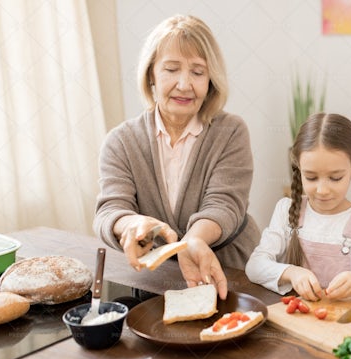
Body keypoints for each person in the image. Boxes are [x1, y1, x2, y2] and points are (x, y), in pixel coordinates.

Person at [93, 15, 260, 300]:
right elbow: (109, 209)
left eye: (198, 72)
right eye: (171, 69)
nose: (185, 84)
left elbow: (224, 204)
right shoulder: (120, 141)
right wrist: (130, 225)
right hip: (157, 280)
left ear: (211, 80)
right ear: (151, 74)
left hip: (232, 273)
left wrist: (194, 240)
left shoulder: (231, 131)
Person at [245, 113, 351, 301]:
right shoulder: (286, 211)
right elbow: (254, 266)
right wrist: (292, 272)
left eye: (335, 178)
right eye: (311, 177)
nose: (322, 190)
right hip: (297, 320)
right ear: (298, 165)